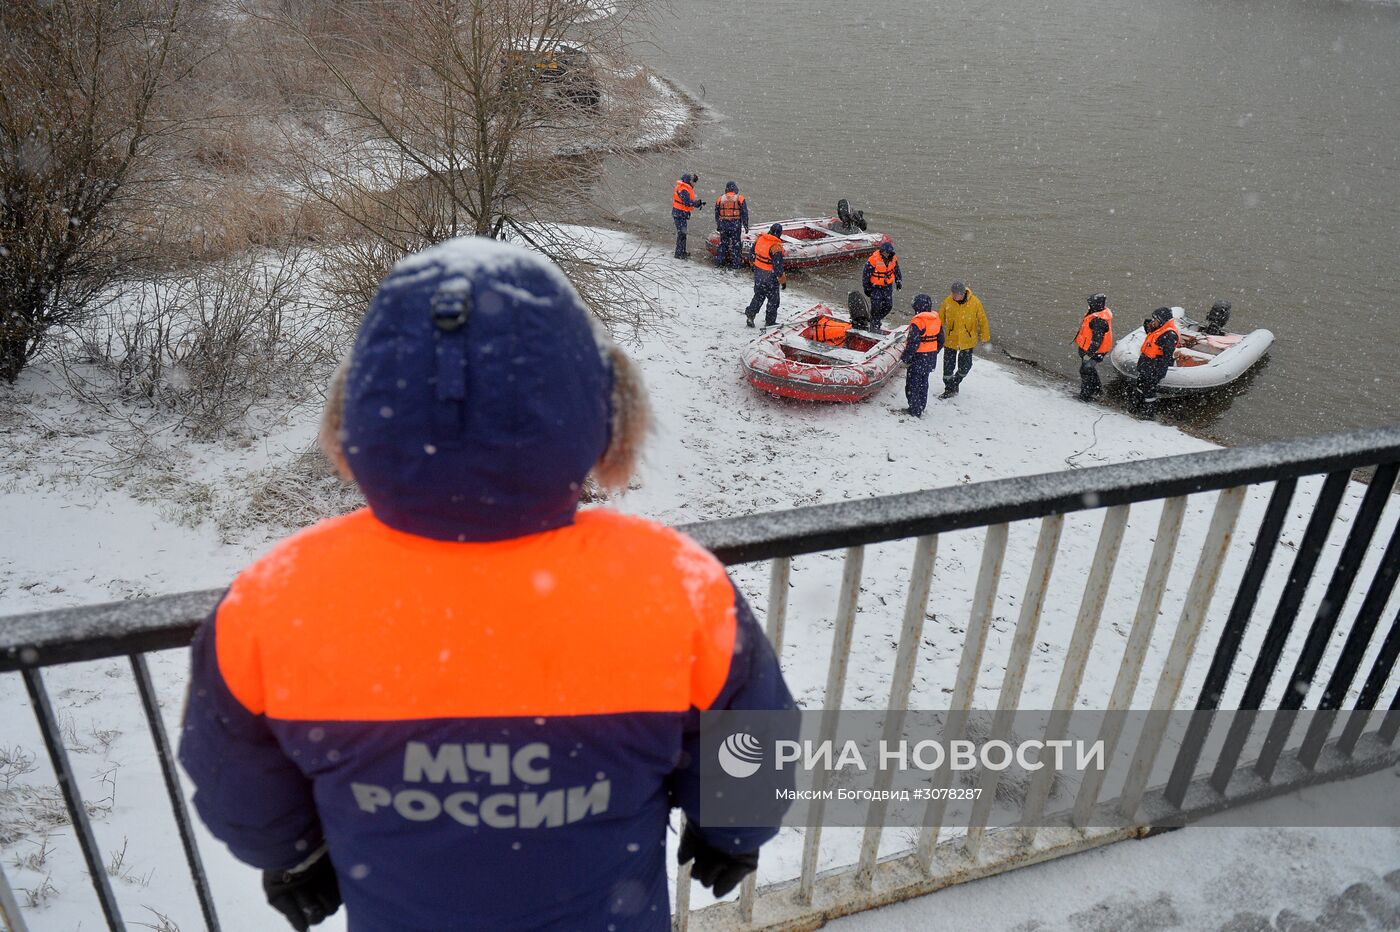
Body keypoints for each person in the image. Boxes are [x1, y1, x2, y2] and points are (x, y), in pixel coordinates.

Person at [179, 238, 798, 931]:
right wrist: (731, 833)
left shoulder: (275, 598)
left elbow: (235, 774)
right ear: (601, 412)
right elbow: (757, 739)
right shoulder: (677, 586)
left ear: (356, 411)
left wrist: (293, 853)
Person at [938, 280, 991, 398]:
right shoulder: (948, 301)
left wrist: (985, 337)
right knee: (947, 369)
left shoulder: (975, 302)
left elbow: (982, 320)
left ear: (962, 294)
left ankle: (954, 384)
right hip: (951, 339)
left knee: (965, 367)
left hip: (967, 341)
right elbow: (940, 318)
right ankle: (949, 390)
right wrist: (934, 332)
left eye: (955, 294)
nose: (953, 296)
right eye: (952, 293)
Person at [900, 293, 944, 417]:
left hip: (918, 358)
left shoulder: (918, 322)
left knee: (912, 384)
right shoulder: (936, 319)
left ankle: (914, 410)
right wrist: (934, 352)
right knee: (924, 382)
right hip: (930, 358)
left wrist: (905, 358)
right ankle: (921, 406)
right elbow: (941, 340)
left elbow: (913, 343)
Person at [1134, 305, 1179, 418]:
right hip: (1146, 363)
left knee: (1149, 390)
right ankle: (1136, 406)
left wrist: (1157, 372)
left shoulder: (1169, 335)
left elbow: (1167, 357)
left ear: (1162, 321)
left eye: (1156, 320)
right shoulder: (1158, 329)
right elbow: (1150, 333)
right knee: (1140, 384)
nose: (1153, 321)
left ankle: (1148, 413)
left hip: (1154, 367)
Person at [1074, 292, 1114, 401]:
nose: (1089, 305)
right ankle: (1097, 389)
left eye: (1091, 303)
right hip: (1091, 349)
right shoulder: (1096, 313)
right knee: (1089, 369)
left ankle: (1085, 395)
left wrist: (1089, 354)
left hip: (1095, 351)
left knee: (1085, 371)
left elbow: (1097, 341)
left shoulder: (1098, 320)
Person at [744, 223, 786, 328]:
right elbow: (778, 268)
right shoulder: (776, 247)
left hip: (759, 274)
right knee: (773, 300)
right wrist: (783, 281)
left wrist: (753, 265)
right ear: (780, 234)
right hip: (770, 277)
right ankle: (770, 322)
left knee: (758, 296)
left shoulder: (760, 239)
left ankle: (750, 315)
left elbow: (752, 254)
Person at [861, 238, 902, 330]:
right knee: (876, 305)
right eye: (884, 252)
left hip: (887, 286)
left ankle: (876, 319)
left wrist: (898, 281)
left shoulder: (893, 259)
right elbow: (866, 274)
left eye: (887, 253)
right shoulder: (873, 259)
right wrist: (866, 288)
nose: (886, 254)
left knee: (888, 305)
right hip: (875, 287)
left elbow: (897, 270)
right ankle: (874, 322)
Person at [713, 181, 749, 268]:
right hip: (735, 224)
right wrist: (746, 225)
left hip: (723, 224)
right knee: (736, 244)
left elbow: (717, 214)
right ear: (735, 188)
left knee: (723, 244)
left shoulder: (720, 199)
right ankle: (736, 264)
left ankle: (720, 262)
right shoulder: (740, 198)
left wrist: (718, 225)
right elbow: (744, 213)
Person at [671, 173, 704, 258]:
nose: (695, 184)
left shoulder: (684, 188)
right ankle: (679, 254)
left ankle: (682, 252)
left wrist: (697, 203)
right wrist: (696, 204)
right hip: (679, 214)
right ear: (690, 181)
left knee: (683, 233)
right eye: (694, 182)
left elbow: (687, 201)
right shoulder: (683, 189)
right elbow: (687, 202)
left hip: (680, 213)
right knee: (682, 234)